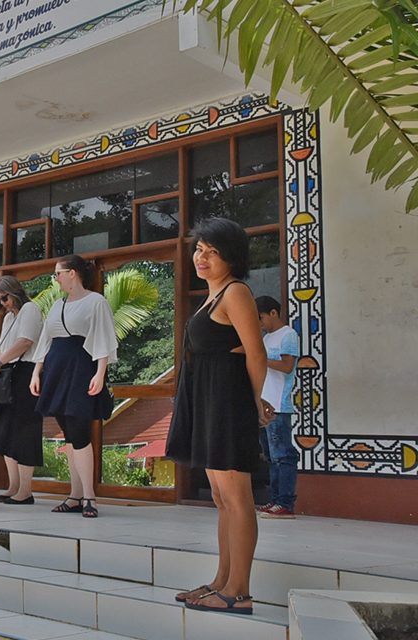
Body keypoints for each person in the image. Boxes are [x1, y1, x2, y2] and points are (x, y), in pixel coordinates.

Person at [166, 218, 271, 615]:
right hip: (208, 399)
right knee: (221, 498)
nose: (202, 257)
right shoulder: (210, 298)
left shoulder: (236, 292)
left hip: (228, 401)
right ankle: (221, 580)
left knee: (237, 497)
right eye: (199, 249)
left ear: (232, 257)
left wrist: (256, 400)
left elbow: (256, 352)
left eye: (212, 251)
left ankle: (239, 592)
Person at [30, 255, 117, 519]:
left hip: (81, 370)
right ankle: (75, 495)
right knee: (68, 434)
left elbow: (104, 338)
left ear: (73, 273)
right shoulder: (57, 305)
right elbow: (46, 341)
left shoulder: (96, 301)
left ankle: (89, 496)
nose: (55, 278)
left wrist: (100, 373)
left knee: (79, 431)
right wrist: (36, 373)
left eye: (58, 273)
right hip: (56, 372)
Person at [0, 276, 44, 505]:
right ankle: (14, 486)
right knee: (5, 428)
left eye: (5, 298)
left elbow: (24, 342)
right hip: (8, 373)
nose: (3, 303)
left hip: (26, 371)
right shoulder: (10, 317)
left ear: (15, 292)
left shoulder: (29, 309)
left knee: (24, 428)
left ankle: (26, 490)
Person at [255, 296, 300, 519]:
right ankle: (275, 500)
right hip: (266, 404)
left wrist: (259, 359)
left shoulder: (288, 335)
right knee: (272, 457)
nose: (260, 323)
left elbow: (287, 365)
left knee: (283, 455)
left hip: (279, 405)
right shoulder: (266, 338)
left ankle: (285, 503)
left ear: (273, 313)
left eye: (261, 317)